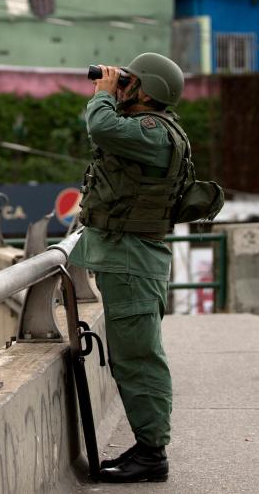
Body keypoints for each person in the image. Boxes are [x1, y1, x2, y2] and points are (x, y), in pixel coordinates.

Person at [70, 52, 190, 484]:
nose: (122, 84)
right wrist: (112, 94)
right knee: (132, 357)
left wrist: (102, 94)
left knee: (139, 359)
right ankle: (146, 445)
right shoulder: (147, 130)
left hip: (133, 260)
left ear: (147, 91)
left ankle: (153, 455)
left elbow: (100, 127)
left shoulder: (153, 133)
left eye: (130, 81)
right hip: (130, 257)